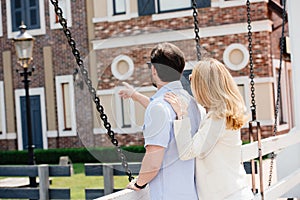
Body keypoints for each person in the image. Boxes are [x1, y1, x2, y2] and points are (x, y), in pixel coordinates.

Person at [119, 42, 203, 199]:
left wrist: (139, 183)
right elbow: (163, 113)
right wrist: (135, 96)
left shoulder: (159, 107)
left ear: (154, 70)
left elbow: (153, 161)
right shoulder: (192, 103)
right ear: (181, 70)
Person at [164, 58, 254, 200]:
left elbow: (188, 152)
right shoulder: (222, 112)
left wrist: (181, 116)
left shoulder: (217, 118)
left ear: (204, 87)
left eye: (194, 81)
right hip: (234, 192)